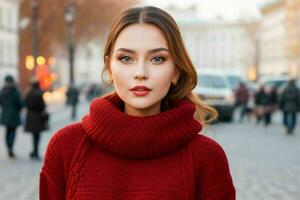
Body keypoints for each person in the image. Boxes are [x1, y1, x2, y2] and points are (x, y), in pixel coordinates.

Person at [40, 6, 235, 199]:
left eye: (157, 59)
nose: (140, 72)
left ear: (176, 70)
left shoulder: (207, 158)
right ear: (109, 67)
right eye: (126, 58)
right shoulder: (66, 147)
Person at [24, 78, 48, 160]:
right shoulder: (39, 93)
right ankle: (36, 152)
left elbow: (25, 104)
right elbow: (42, 106)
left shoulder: (28, 93)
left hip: (30, 116)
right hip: (38, 117)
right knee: (37, 135)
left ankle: (34, 151)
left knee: (34, 135)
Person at [0, 75, 23, 158]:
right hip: (14, 115)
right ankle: (11, 148)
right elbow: (20, 103)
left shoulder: (2, 91)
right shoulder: (15, 91)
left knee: (7, 131)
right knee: (13, 132)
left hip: (5, 115)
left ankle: (8, 147)